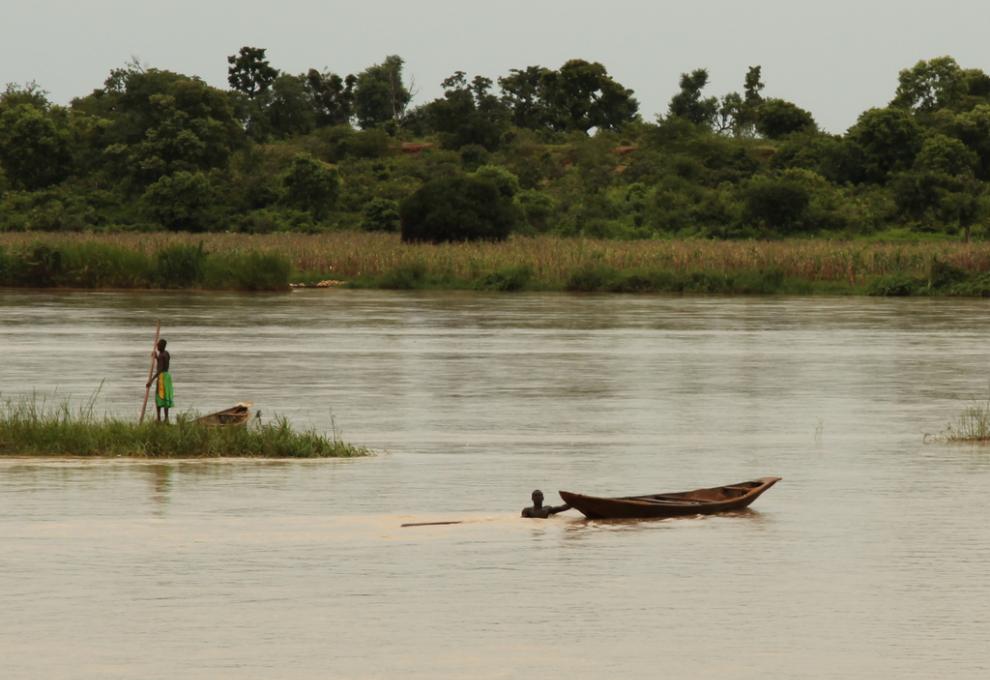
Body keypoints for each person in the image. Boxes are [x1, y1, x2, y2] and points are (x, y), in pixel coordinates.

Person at [146, 339, 174, 423]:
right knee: (166, 397)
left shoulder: (162, 355)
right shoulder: (166, 353)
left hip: (162, 377)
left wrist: (151, 380)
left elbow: (160, 369)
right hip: (167, 377)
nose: (157, 347)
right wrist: (156, 358)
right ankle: (166, 418)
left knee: (159, 397)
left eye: (158, 346)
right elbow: (163, 363)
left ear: (162, 346)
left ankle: (158, 418)